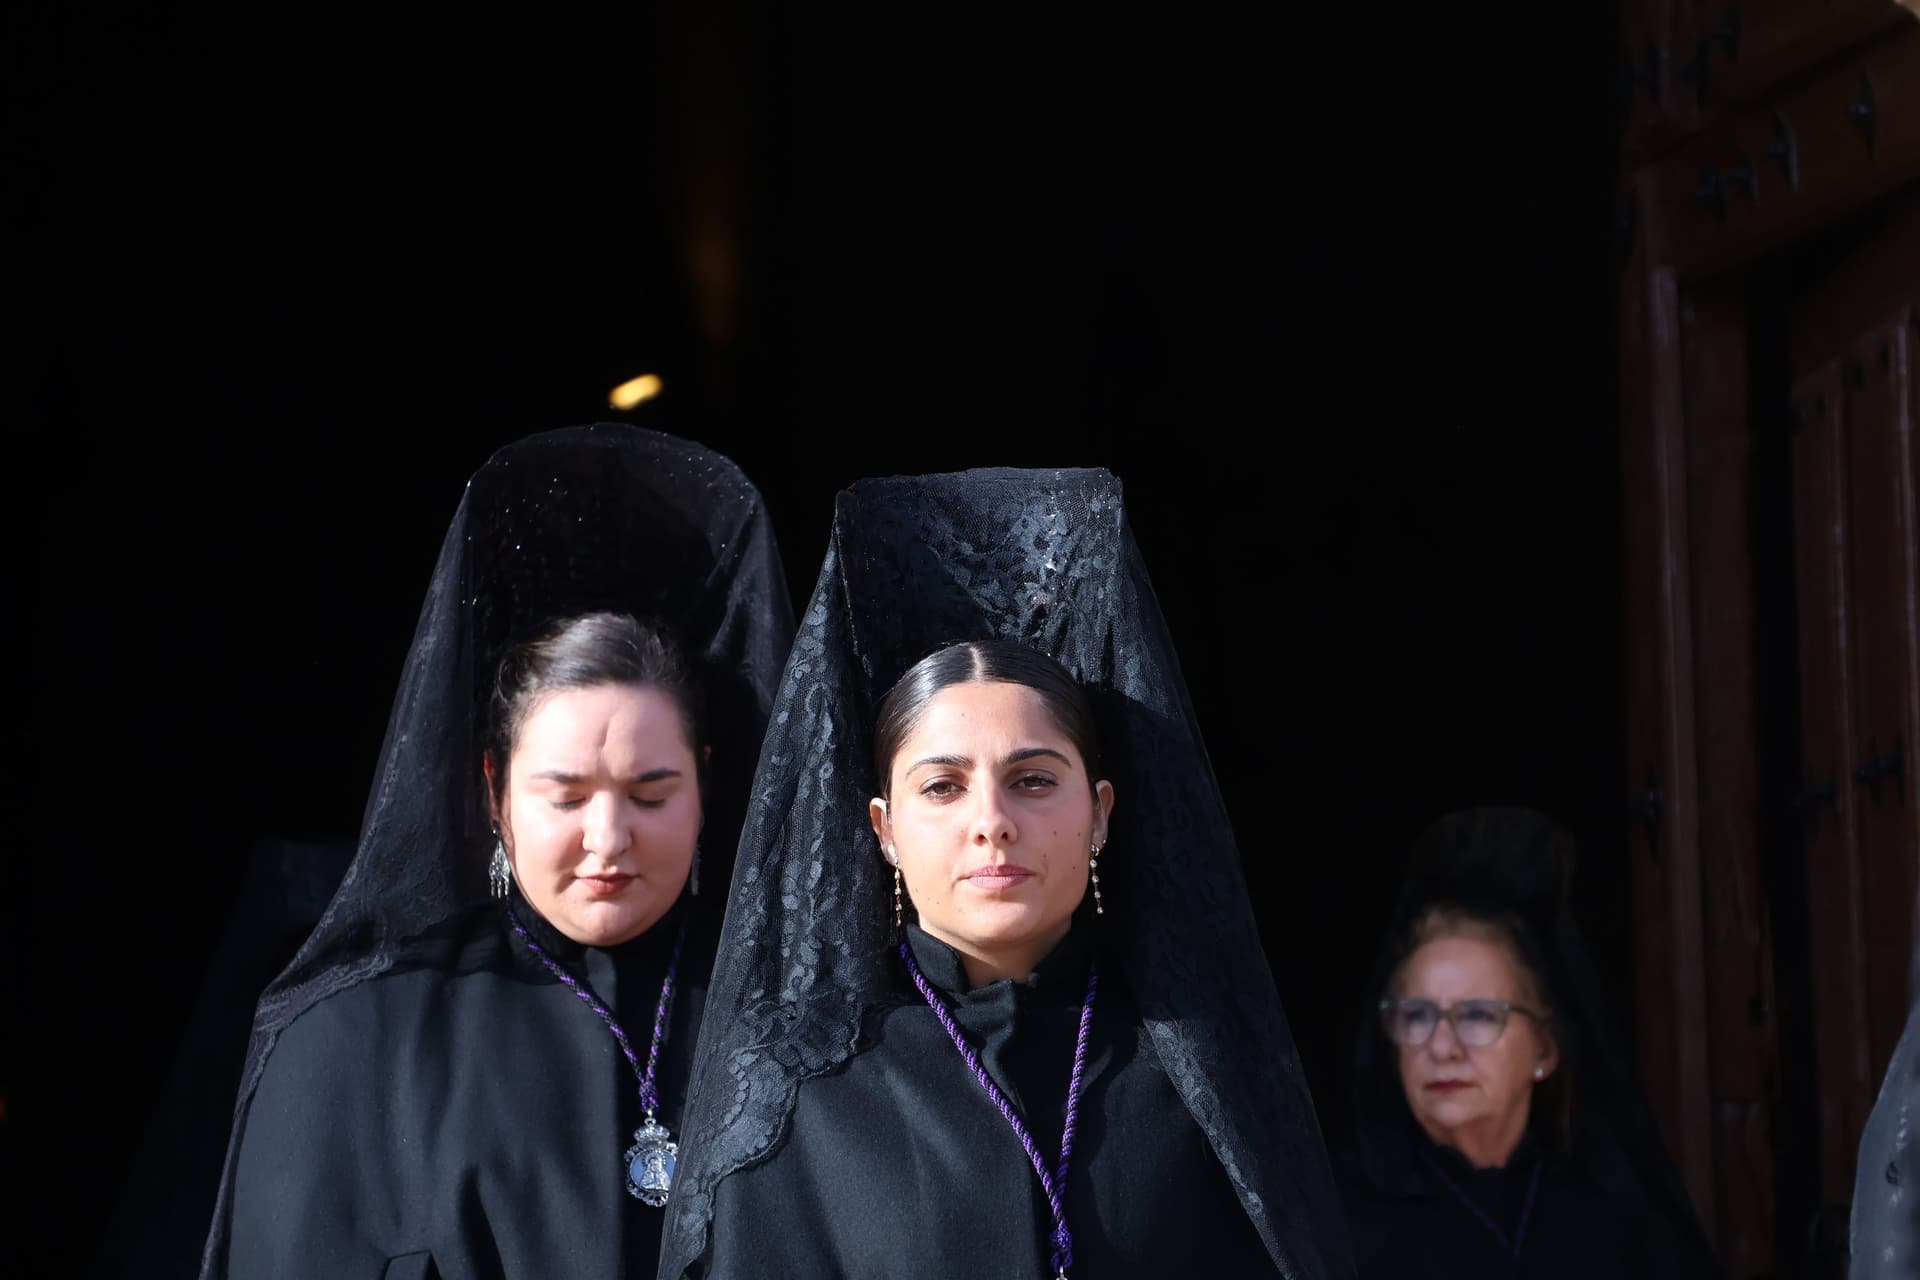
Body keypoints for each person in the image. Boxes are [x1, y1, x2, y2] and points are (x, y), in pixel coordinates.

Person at [657, 466, 1353, 1278]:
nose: (991, 821)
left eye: (1032, 780)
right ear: (883, 828)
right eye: (942, 787)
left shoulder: (1197, 1079)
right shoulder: (802, 1101)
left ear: (1098, 812)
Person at [197, 423, 795, 1279]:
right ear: (493, 789)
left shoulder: (792, 1021)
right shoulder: (353, 1043)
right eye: (567, 795)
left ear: (705, 783)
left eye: (651, 794)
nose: (609, 838)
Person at [1335, 806, 1721, 1278]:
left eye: (1476, 1015)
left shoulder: (1617, 1223)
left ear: (1545, 1048)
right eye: (1417, 1016)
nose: (1441, 1047)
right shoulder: (1340, 1228)